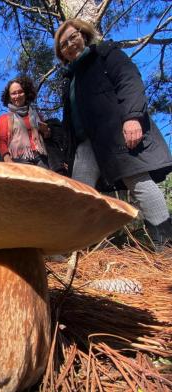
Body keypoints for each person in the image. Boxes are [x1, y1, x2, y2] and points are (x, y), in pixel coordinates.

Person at [54, 18, 172, 251]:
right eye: (64, 45)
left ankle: (166, 244)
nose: (70, 45)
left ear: (83, 35)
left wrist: (132, 117)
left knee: (137, 181)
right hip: (87, 144)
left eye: (73, 37)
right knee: (80, 195)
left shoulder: (105, 53)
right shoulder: (70, 81)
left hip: (116, 131)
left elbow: (129, 80)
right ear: (62, 54)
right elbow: (70, 123)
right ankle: (78, 250)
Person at [0, 76, 51, 168]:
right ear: (9, 97)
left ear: (26, 94)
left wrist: (46, 131)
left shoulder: (36, 115)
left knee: (44, 182)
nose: (17, 96)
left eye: (20, 92)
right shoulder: (4, 118)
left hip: (41, 158)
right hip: (19, 159)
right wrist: (8, 161)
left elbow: (47, 136)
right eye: (13, 93)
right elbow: (1, 141)